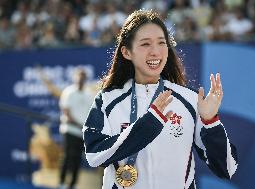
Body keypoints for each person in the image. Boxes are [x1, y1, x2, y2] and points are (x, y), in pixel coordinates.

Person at [83, 10, 238, 189]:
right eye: (145, 44)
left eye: (161, 43)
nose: (155, 52)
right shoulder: (108, 100)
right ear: (126, 52)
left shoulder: (190, 100)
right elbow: (94, 155)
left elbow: (227, 168)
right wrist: (150, 122)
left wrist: (211, 122)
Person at [59, 68, 94, 189]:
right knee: (68, 157)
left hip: (82, 133)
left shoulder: (89, 94)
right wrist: (79, 124)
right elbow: (66, 112)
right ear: (75, 77)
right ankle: (62, 183)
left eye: (83, 77)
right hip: (69, 130)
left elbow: (91, 113)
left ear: (85, 79)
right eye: (79, 76)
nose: (81, 79)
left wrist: (85, 127)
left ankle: (72, 185)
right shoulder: (68, 92)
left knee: (77, 159)